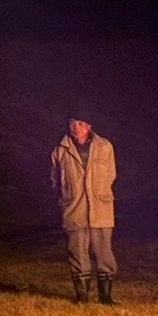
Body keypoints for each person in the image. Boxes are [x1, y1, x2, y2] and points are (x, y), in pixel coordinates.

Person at [50, 107, 118, 304]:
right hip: (74, 210)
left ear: (89, 126)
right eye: (72, 123)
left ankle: (106, 298)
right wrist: (67, 199)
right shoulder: (59, 151)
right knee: (78, 254)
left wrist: (99, 192)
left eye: (80, 123)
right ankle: (82, 297)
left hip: (101, 210)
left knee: (105, 254)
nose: (75, 127)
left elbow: (111, 175)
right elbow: (55, 180)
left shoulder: (105, 147)